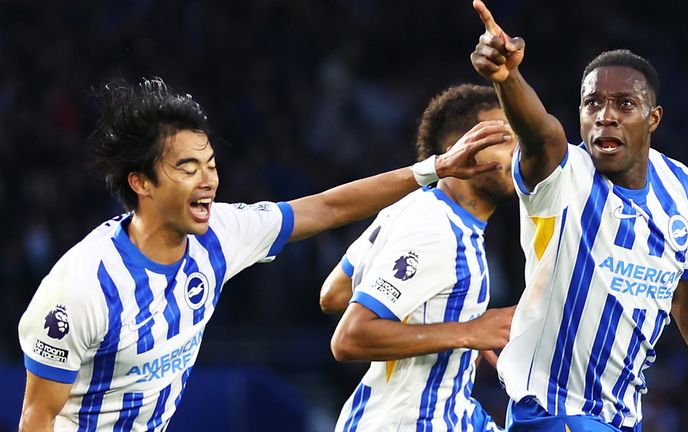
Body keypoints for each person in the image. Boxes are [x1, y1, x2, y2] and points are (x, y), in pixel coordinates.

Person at [16, 78, 512, 431]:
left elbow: (328, 206)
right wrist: (469, 331)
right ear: (140, 182)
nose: (208, 180)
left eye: (210, 165)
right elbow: (37, 416)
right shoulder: (81, 287)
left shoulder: (221, 234)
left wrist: (432, 168)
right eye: (187, 168)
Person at [469, 1, 688, 431]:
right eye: (592, 104)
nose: (605, 116)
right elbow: (541, 135)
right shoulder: (563, 175)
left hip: (621, 419)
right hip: (551, 414)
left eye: (624, 104)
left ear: (653, 119)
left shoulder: (680, 189)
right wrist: (507, 78)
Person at [320, 84, 517, 432]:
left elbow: (334, 293)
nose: (519, 152)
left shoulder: (413, 206)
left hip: (443, 415)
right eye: (503, 140)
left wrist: (448, 316)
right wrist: (468, 331)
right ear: (459, 151)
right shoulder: (437, 229)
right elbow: (349, 337)